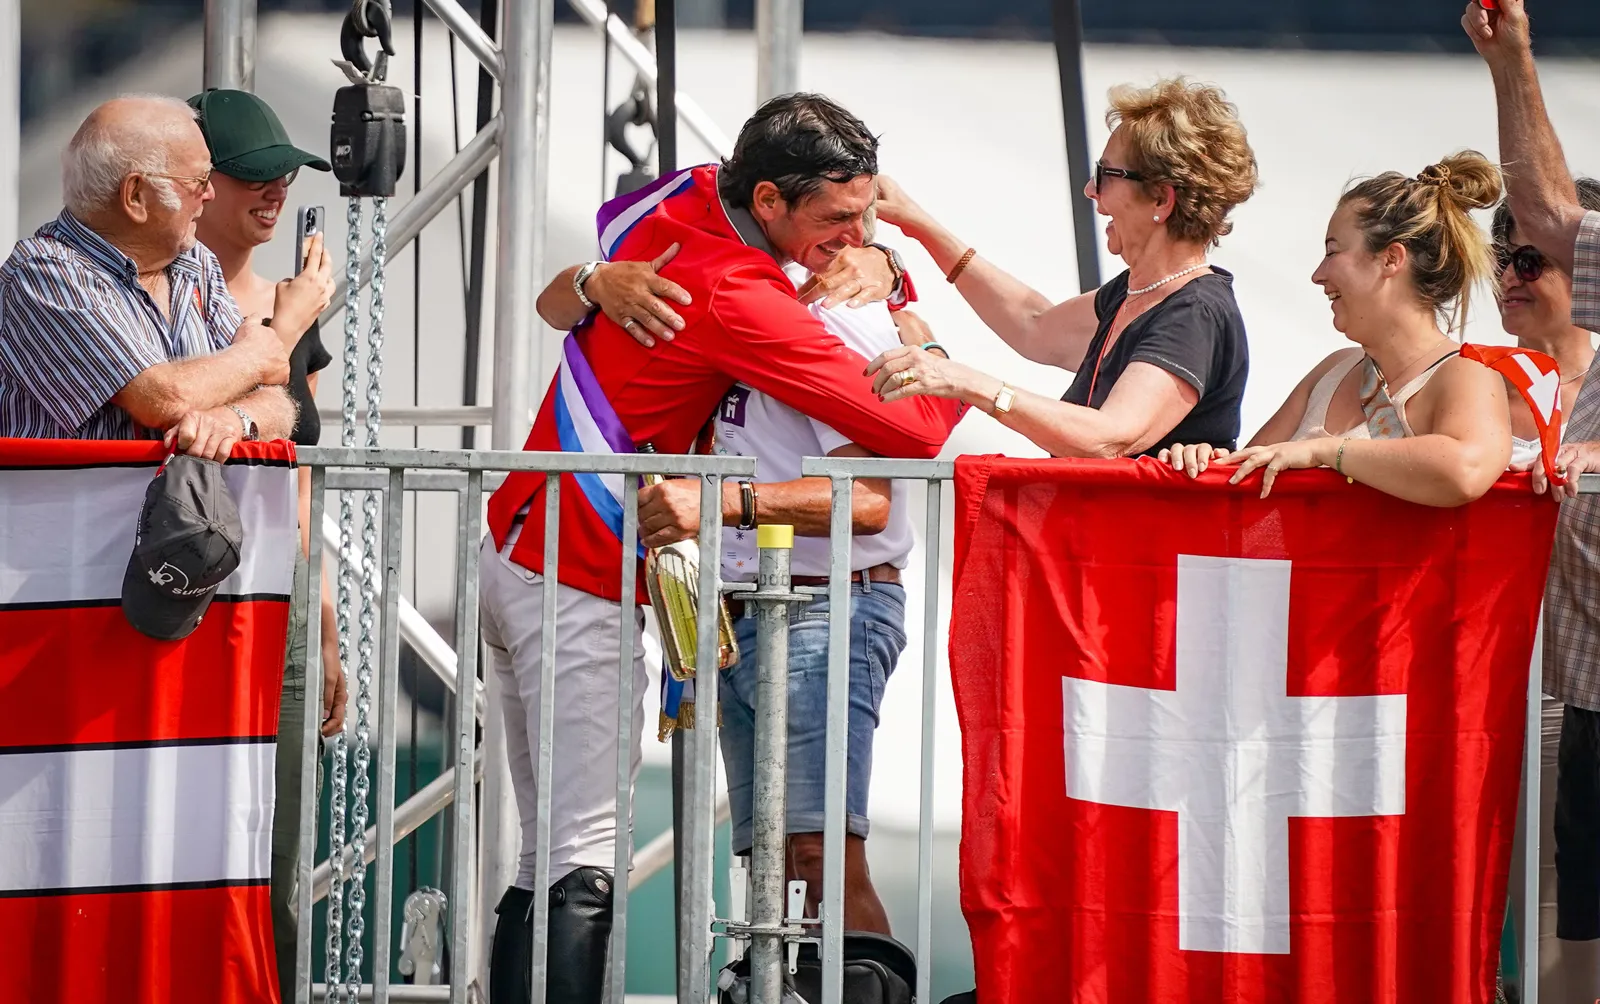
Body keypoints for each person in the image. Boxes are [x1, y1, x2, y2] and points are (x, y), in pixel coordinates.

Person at [479, 93, 965, 1003]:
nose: (861, 234)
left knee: (545, 851)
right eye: (841, 219)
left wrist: (591, 279)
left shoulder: (682, 191)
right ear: (771, 201)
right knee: (583, 857)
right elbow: (924, 422)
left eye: (869, 214)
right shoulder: (744, 297)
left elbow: (590, 253)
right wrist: (905, 302)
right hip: (581, 568)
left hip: (516, 543)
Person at [539, 211, 934, 936]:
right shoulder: (722, 289)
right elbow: (551, 304)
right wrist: (596, 279)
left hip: (826, 610)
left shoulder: (838, 316)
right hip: (744, 614)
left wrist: (718, 504)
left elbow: (870, 502)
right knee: (774, 868)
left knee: (817, 860)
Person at [861, 78, 1257, 459]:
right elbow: (1033, 322)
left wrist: (965, 381)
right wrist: (919, 224)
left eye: (1105, 175)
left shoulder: (1194, 312)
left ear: (1160, 199)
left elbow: (1109, 437)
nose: (1090, 190)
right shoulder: (1136, 293)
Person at [188, 86, 345, 1001]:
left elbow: (300, 475)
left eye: (287, 174)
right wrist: (281, 327)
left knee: (279, 849)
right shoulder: (156, 296)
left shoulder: (293, 303)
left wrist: (321, 620)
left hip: (274, 600)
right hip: (185, 595)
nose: (277, 191)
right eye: (256, 175)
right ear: (191, 185)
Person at [1464, 2, 1600, 997]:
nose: (1512, 274)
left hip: (1565, 700)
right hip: (1567, 695)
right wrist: (1509, 57)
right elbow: (1550, 209)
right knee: (1563, 950)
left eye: (1528, 265)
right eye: (1496, 256)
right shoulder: (1478, 371)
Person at [1159, 151, 1511, 505]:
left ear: (1391, 259)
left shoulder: (1467, 373)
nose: (1317, 275)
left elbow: (1465, 470)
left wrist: (1325, 452)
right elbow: (1243, 484)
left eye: (1332, 251)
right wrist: (1205, 460)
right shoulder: (1333, 370)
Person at [0, 94, 294, 451]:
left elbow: (277, 403)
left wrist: (233, 420)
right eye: (199, 180)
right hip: (87, 507)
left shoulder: (195, 262)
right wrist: (255, 355)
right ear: (136, 195)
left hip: (185, 505)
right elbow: (163, 398)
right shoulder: (45, 274)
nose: (210, 194)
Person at [1493, 182, 1600, 471]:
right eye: (1501, 259)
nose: (1507, 278)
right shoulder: (1465, 382)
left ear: (1591, 268)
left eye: (1529, 261)